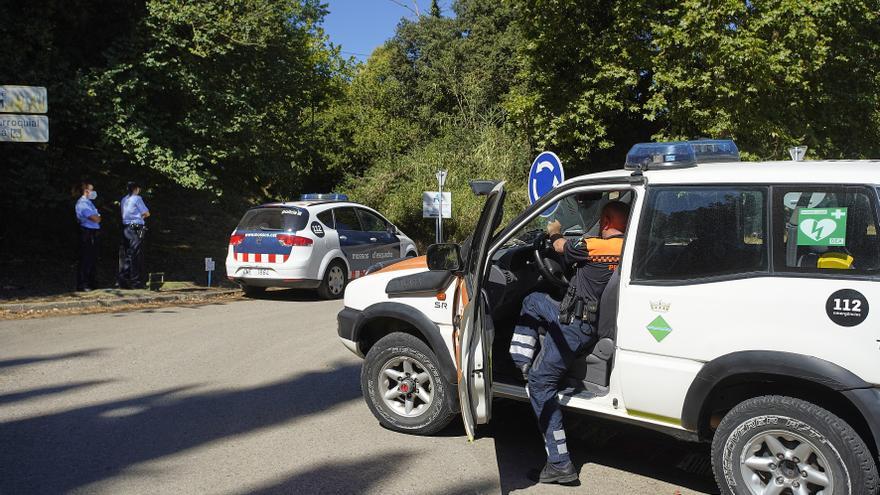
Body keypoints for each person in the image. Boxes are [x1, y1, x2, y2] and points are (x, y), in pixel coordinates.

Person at [510, 200, 630, 485]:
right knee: (533, 300)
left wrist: (553, 230)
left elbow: (561, 246)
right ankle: (521, 361)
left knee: (541, 385)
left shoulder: (595, 246)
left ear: (605, 221)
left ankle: (559, 464)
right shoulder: (627, 248)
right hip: (588, 320)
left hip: (574, 326)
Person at [117, 181, 150, 289]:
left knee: (127, 253)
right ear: (136, 189)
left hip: (126, 227)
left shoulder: (124, 199)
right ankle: (136, 281)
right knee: (137, 252)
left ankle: (123, 280)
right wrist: (140, 217)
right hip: (137, 226)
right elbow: (146, 213)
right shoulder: (137, 198)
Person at [75, 182, 101, 291]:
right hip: (87, 232)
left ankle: (91, 282)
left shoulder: (89, 203)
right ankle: (83, 284)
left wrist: (97, 217)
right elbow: (95, 218)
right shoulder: (82, 203)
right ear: (86, 191)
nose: (93, 192)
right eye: (92, 190)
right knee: (86, 258)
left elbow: (98, 218)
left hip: (93, 231)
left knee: (93, 258)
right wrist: (97, 217)